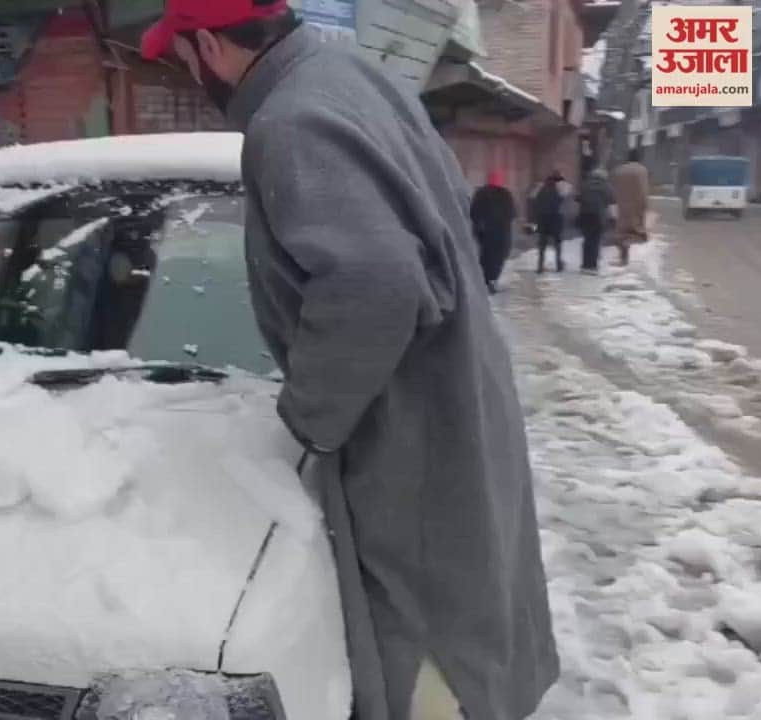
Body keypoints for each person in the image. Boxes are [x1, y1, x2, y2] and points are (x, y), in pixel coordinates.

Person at [141, 3, 558, 720]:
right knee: (462, 618)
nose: (187, 70)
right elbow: (443, 211)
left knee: (423, 648)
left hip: (409, 436)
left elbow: (378, 281)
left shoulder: (290, 124)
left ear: (208, 43)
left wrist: (310, 418)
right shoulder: (360, 78)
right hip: (451, 403)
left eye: (182, 56)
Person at [470, 169, 517, 294]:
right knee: (498, 257)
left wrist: (478, 227)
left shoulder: (481, 193)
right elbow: (512, 213)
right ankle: (491, 279)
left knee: (486, 256)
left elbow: (474, 212)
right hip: (500, 232)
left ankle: (485, 279)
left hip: (485, 232)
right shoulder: (505, 194)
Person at [576, 162, 616, 274]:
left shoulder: (585, 185)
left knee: (587, 240)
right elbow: (611, 204)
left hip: (584, 216)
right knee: (595, 241)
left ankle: (584, 265)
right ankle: (592, 266)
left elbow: (578, 199)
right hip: (598, 217)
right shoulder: (606, 187)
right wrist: (613, 219)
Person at [612, 148, 650, 267]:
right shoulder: (642, 170)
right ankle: (628, 248)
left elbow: (614, 187)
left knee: (622, 231)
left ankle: (623, 257)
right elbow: (644, 189)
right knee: (637, 230)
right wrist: (645, 204)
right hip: (637, 204)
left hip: (622, 205)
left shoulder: (619, 170)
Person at [532, 171, 569, 273]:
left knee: (542, 243)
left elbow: (533, 199)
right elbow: (567, 191)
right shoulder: (561, 188)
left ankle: (540, 266)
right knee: (557, 243)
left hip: (542, 219)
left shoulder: (541, 188)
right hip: (556, 219)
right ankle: (558, 265)